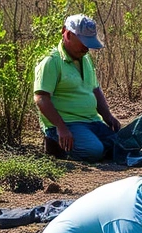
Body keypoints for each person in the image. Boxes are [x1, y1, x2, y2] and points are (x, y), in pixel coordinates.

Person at [33, 14, 121, 162]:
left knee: (121, 145)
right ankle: (56, 146)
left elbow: (95, 90)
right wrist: (61, 128)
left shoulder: (85, 59)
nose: (86, 48)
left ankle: (97, 145)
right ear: (67, 34)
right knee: (94, 151)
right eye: (83, 42)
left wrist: (108, 116)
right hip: (67, 124)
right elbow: (41, 98)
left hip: (92, 121)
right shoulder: (51, 61)